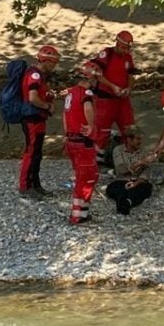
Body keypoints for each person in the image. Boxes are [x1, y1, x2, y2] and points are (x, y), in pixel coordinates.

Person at [62, 61, 102, 224]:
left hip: (71, 141)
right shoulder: (86, 93)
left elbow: (65, 115)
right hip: (83, 142)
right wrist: (91, 125)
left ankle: (82, 212)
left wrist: (67, 134)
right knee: (88, 177)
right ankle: (77, 214)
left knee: (81, 175)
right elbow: (87, 108)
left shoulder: (70, 93)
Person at [91, 30, 137, 167]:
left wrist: (129, 88)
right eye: (124, 47)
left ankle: (130, 160)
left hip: (122, 99)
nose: (125, 50)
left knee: (129, 128)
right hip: (105, 99)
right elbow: (96, 73)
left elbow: (131, 76)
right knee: (102, 131)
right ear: (117, 43)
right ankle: (96, 162)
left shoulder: (128, 58)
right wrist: (112, 87)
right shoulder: (107, 54)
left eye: (128, 48)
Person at [19, 45, 59, 198]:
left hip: (39, 118)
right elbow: (33, 98)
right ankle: (25, 186)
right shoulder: (35, 75)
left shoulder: (40, 76)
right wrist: (47, 106)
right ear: (46, 61)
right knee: (31, 152)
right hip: (32, 118)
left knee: (37, 153)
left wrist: (49, 96)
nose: (54, 66)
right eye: (53, 63)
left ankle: (35, 184)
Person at [107, 126, 158, 215]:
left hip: (138, 182)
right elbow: (121, 169)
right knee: (113, 188)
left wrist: (137, 182)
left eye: (140, 139)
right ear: (129, 140)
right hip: (121, 180)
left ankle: (127, 203)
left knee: (145, 189)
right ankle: (124, 202)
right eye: (137, 139)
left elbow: (146, 171)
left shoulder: (144, 151)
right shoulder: (118, 150)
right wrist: (140, 162)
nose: (140, 142)